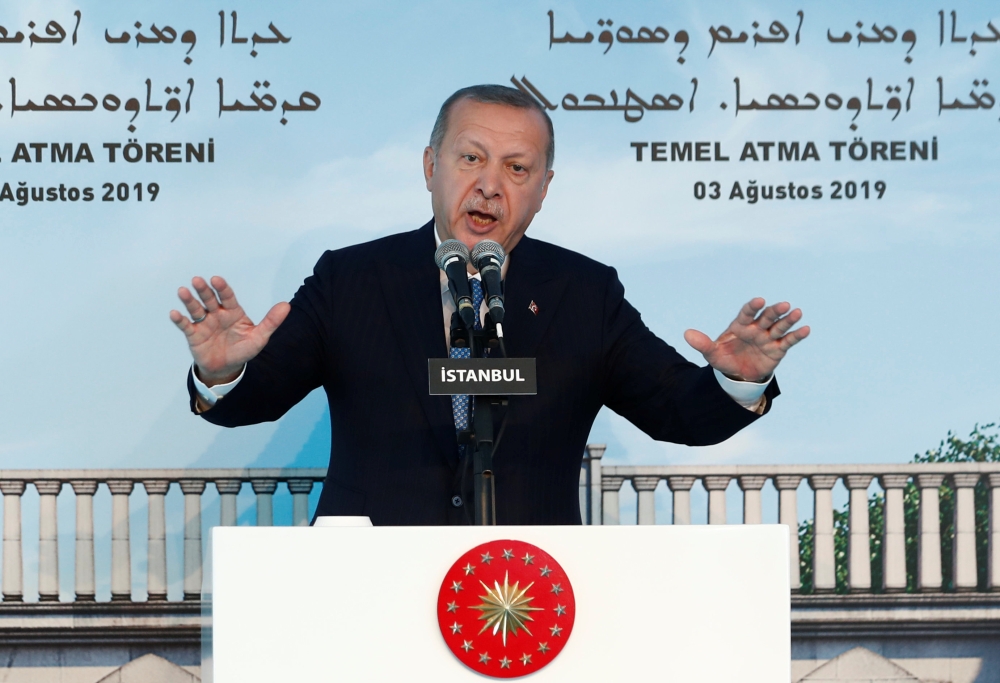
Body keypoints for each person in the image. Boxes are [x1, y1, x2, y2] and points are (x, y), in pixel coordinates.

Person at [169, 85, 809, 525]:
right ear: (430, 165)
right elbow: (260, 396)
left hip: (524, 601)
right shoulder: (353, 279)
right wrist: (224, 371)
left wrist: (736, 380)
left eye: (517, 168)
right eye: (470, 157)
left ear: (543, 189)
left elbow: (679, 411)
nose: (488, 185)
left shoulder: (585, 293)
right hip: (367, 594)